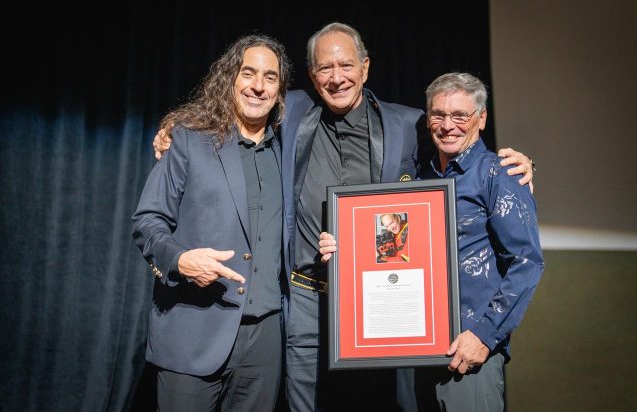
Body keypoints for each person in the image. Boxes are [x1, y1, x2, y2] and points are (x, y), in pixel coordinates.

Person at [153, 23, 535, 411]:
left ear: (365, 68)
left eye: (347, 66)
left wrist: (514, 165)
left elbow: (457, 137)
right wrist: (176, 124)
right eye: (324, 69)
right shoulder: (292, 110)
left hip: (380, 303)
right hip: (304, 301)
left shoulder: (407, 124)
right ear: (312, 76)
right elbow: (239, 100)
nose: (337, 78)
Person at [320, 72, 544, 412]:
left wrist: (484, 336)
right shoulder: (419, 179)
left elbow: (526, 262)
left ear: (481, 119)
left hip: (468, 354)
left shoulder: (499, 174)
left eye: (460, 115)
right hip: (417, 353)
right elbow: (391, 251)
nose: (447, 125)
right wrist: (341, 246)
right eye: (438, 115)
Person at [131, 34, 291, 411]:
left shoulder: (287, 148)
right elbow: (148, 220)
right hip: (194, 329)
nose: (257, 85)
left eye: (270, 77)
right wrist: (179, 260)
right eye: (248, 73)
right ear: (230, 78)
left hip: (264, 343)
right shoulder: (188, 140)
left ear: (281, 89)